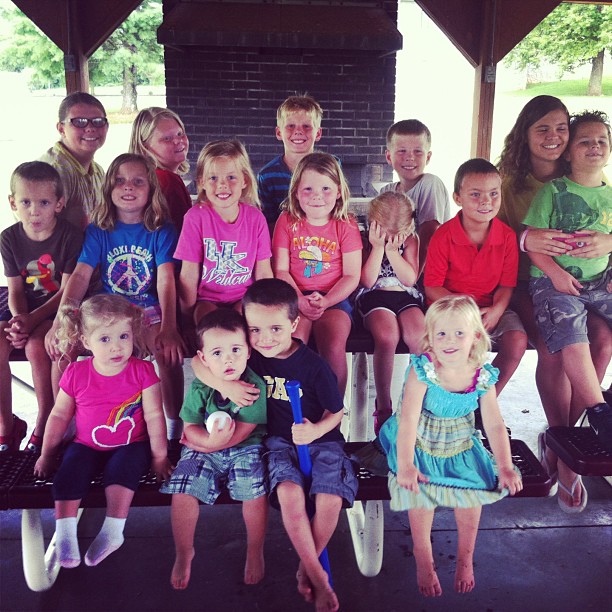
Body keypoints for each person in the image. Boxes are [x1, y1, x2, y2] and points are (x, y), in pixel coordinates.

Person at [194, 278, 357, 612]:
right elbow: (198, 364)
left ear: (294, 325)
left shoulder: (314, 366)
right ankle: (318, 574)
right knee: (289, 496)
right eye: (254, 330)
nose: (264, 339)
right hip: (279, 445)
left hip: (323, 442)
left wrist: (316, 430)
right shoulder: (250, 357)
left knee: (329, 499)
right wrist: (227, 385)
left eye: (275, 329)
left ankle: (307, 567)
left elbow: (337, 412)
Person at [497, 95, 612, 508]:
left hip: (582, 285)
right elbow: (485, 233)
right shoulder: (508, 182)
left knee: (602, 343)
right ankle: (563, 444)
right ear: (524, 134)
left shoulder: (583, 174)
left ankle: (567, 443)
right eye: (542, 128)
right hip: (523, 282)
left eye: (561, 128)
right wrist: (525, 240)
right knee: (552, 345)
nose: (553, 136)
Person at [378, 295, 522, 597]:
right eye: (441, 333)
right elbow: (408, 420)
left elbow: (494, 424)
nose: (449, 341)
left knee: (472, 494)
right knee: (421, 493)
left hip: (459, 438)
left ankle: (466, 557)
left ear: (476, 337)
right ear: (430, 337)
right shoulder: (424, 371)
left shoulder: (482, 376)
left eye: (459, 333)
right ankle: (422, 554)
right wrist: (406, 464)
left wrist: (506, 466)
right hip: (418, 438)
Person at [45, 153, 186, 446]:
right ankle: (65, 422)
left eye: (138, 181)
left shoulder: (161, 230)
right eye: (120, 181)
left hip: (146, 307)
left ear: (151, 189)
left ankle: (174, 424)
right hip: (107, 309)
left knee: (166, 351)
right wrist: (62, 318)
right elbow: (80, 276)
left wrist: (170, 327)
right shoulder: (99, 229)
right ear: (109, 187)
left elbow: (166, 280)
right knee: (64, 346)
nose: (128, 187)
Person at [33, 294, 173, 568]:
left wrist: (159, 456)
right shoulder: (76, 373)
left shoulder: (143, 371)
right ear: (86, 341)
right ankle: (65, 535)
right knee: (69, 472)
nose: (116, 346)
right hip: (85, 445)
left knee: (122, 471)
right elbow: (59, 416)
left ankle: (113, 531)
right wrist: (47, 454)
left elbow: (155, 415)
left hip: (132, 445)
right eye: (105, 339)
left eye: (124, 336)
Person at [160, 309, 268, 590]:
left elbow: (245, 430)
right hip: (202, 447)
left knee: (253, 491)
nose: (228, 359)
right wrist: (205, 444)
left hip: (245, 448)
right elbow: (190, 426)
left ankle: (254, 549)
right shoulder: (201, 387)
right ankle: (184, 551)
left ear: (248, 352)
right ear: (204, 358)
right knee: (183, 488)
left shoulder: (254, 386)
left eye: (235, 350)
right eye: (217, 353)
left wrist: (211, 444)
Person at [424, 159, 528, 395]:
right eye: (475, 194)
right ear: (457, 198)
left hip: (490, 308)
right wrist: (467, 312)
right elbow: (432, 287)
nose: (486, 201)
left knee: (517, 340)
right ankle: (451, 397)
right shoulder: (443, 236)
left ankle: (483, 400)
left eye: (493, 193)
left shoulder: (507, 236)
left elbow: (506, 285)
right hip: (450, 308)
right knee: (460, 345)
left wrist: (497, 311)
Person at [1, 162, 83, 452]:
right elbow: (14, 290)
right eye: (26, 202)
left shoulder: (71, 237)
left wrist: (32, 320)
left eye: (44, 203)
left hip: (58, 309)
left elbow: (67, 292)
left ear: (59, 204)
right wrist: (18, 320)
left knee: (38, 346)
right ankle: (6, 426)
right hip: (25, 308)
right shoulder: (9, 238)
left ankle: (45, 419)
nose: (34, 211)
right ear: (13, 203)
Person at [273, 152, 362, 396]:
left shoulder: (346, 224)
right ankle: (295, 407)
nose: (317, 196)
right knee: (293, 343)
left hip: (334, 299)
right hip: (294, 296)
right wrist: (299, 300)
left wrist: (326, 300)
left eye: (325, 189)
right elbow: (281, 269)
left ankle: (333, 409)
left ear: (339, 192)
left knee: (332, 344)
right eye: (308, 189)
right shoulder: (287, 221)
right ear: (296, 192)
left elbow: (352, 276)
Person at [175, 140, 272, 329]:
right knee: (211, 327)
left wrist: (265, 309)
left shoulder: (256, 218)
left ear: (245, 180)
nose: (222, 185)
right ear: (201, 182)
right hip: (207, 299)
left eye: (231, 177)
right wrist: (186, 318)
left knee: (243, 328)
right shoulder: (195, 218)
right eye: (213, 178)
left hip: (244, 297)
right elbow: (188, 274)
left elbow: (263, 272)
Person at [356, 191, 425, 433]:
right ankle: (384, 404)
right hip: (374, 294)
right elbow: (367, 280)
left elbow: (409, 279)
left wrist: (394, 252)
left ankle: (418, 399)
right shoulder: (364, 238)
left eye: (398, 234)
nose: (391, 238)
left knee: (420, 336)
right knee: (387, 336)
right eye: (386, 232)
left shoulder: (411, 240)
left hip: (404, 294)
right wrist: (377, 247)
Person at [380, 119, 452, 271]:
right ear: (388, 156)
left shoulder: (430, 184)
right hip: (397, 269)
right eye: (402, 151)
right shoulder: (386, 192)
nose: (410, 157)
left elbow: (428, 237)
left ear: (428, 157)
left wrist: (412, 280)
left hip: (426, 271)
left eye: (418, 151)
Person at [40, 92, 108, 230]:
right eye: (79, 122)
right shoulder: (53, 172)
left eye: (98, 121)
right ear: (61, 129)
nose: (90, 128)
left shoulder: (98, 171)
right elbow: (40, 234)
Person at [257, 95, 324, 231]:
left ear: (318, 133)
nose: (298, 131)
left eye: (306, 126)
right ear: (278, 132)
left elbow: (338, 211)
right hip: (283, 241)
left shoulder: (331, 168)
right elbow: (267, 223)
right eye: (290, 126)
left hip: (325, 240)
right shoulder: (267, 176)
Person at [129, 107, 192, 233]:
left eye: (180, 134)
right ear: (145, 147)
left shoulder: (144, 178)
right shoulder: (167, 181)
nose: (178, 141)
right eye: (167, 138)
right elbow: (184, 233)